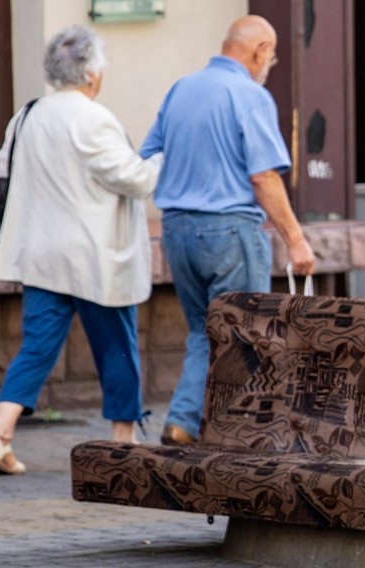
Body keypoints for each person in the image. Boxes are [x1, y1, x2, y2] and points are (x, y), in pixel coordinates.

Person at [0, 25, 162, 475]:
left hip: (41, 255)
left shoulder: (28, 114)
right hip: (93, 257)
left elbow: (6, 168)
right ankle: (122, 438)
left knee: (37, 346)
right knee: (117, 344)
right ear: (92, 72)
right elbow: (134, 179)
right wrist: (160, 159)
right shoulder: (92, 118)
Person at [140, 15, 316, 446]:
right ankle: (241, 435)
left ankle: (183, 420)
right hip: (230, 232)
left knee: (204, 330)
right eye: (270, 58)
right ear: (259, 51)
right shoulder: (250, 95)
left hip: (177, 231)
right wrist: (296, 240)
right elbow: (264, 178)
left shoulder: (182, 89)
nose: (267, 65)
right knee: (245, 332)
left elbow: (147, 158)